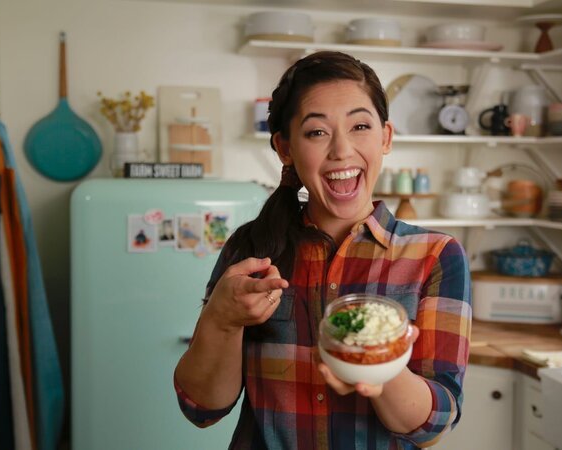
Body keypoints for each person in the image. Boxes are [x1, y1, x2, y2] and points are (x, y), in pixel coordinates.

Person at [174, 51, 472, 449]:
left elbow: (434, 424)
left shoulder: (437, 256)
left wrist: (380, 368)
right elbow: (201, 409)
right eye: (317, 132)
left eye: (360, 126)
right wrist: (222, 321)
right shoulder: (250, 250)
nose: (342, 150)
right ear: (285, 148)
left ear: (385, 137)